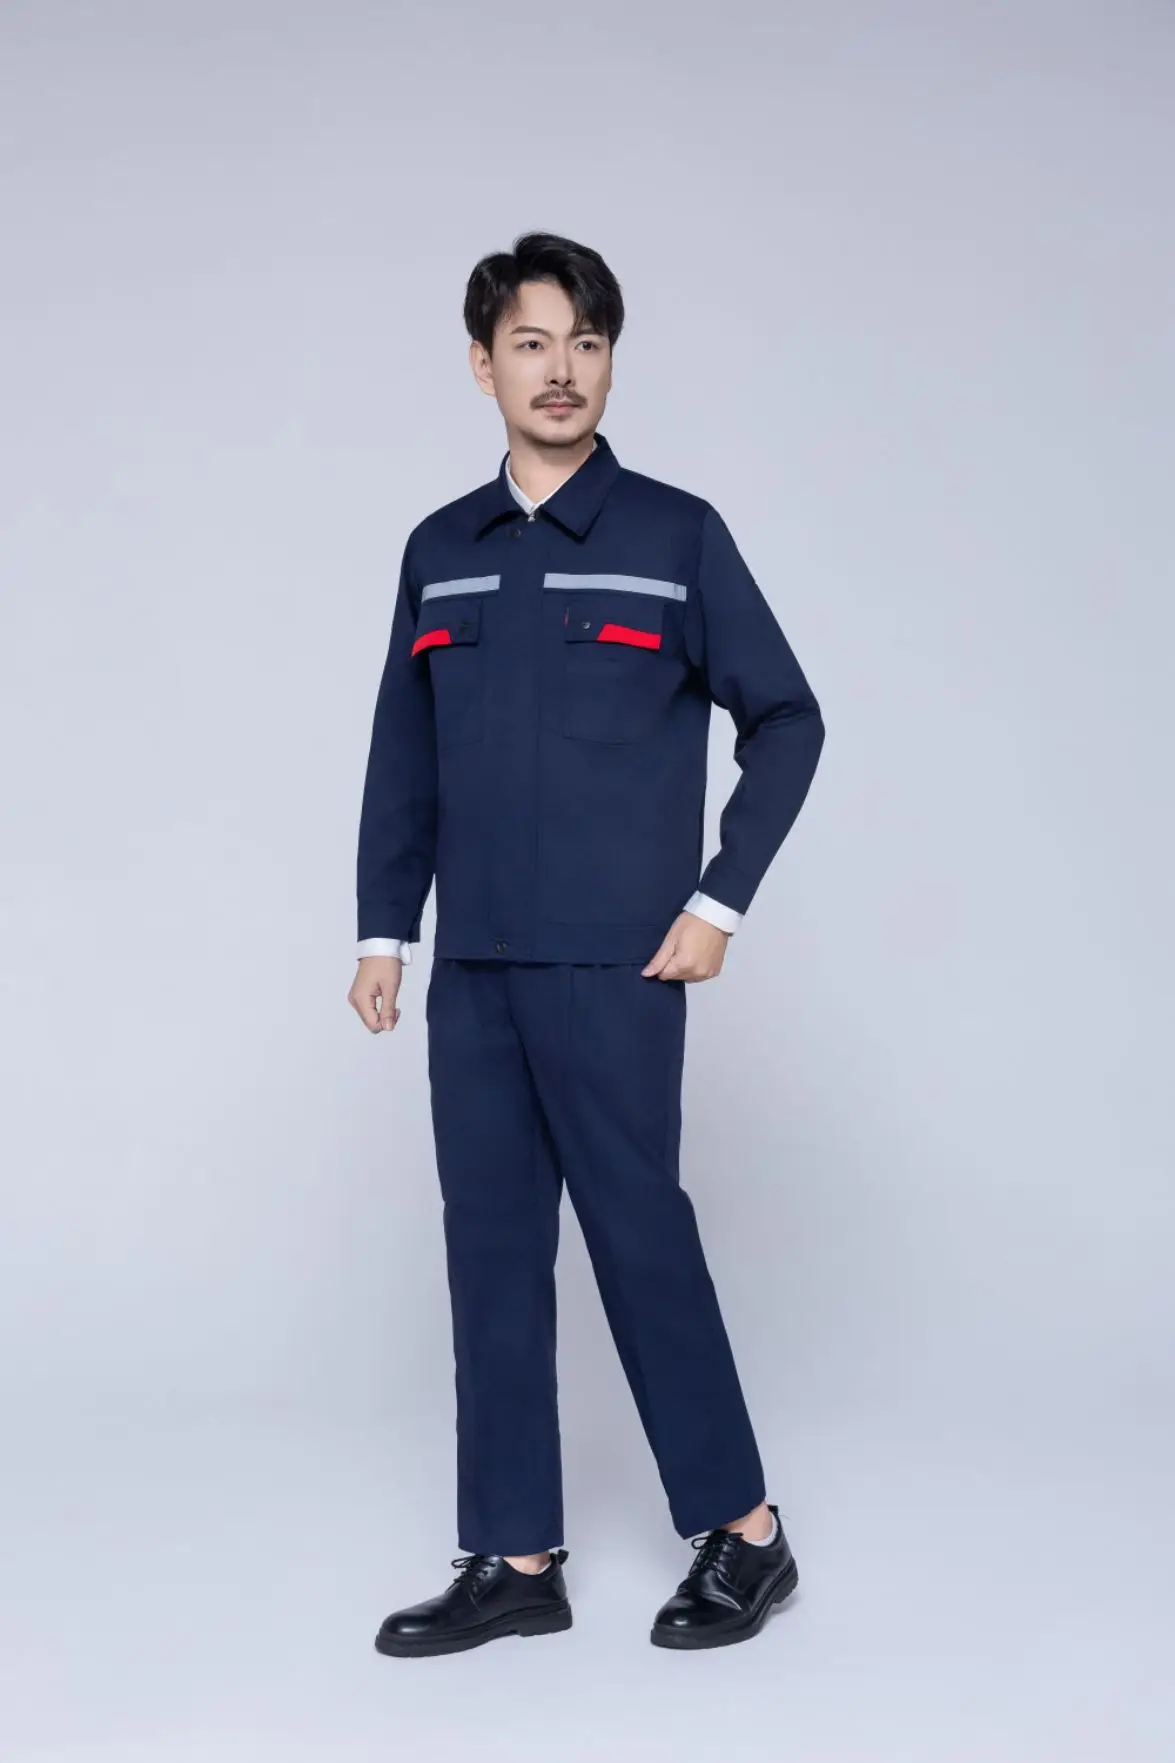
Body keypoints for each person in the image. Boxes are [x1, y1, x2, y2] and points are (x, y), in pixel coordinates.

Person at [347, 231, 825, 1656]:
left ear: (610, 362)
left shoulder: (676, 536)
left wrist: (717, 902)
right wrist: (384, 932)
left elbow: (787, 718)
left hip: (617, 967)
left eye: (588, 342)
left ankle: (747, 1536)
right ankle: (515, 1556)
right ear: (482, 363)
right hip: (475, 971)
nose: (561, 370)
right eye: (533, 343)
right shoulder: (438, 550)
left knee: (638, 1238)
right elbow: (401, 758)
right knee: (490, 1252)